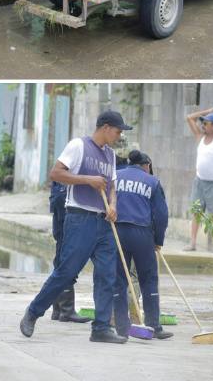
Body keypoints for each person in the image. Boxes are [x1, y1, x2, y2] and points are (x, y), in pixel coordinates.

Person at [20, 111, 132, 344]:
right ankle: (33, 312)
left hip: (104, 222)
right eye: (118, 130)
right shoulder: (79, 146)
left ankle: (101, 327)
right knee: (66, 272)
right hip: (80, 218)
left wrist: (112, 205)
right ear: (105, 127)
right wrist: (88, 180)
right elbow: (56, 173)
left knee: (107, 275)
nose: (120, 135)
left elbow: (111, 186)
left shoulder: (111, 155)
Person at [111, 150, 171, 340]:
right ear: (146, 165)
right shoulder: (152, 182)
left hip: (117, 231)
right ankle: (154, 326)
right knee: (149, 280)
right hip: (142, 234)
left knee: (119, 280)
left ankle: (122, 327)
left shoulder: (115, 177)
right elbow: (161, 215)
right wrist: (158, 241)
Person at [48, 173, 92, 324]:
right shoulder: (68, 179)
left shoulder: (62, 177)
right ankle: (66, 310)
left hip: (61, 225)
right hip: (66, 226)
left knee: (60, 262)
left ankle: (58, 309)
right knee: (66, 263)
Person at [185, 107, 213, 252]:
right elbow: (189, 117)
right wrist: (206, 112)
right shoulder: (200, 137)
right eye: (203, 123)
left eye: (207, 123)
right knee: (196, 212)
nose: (203, 125)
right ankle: (193, 243)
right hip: (200, 181)